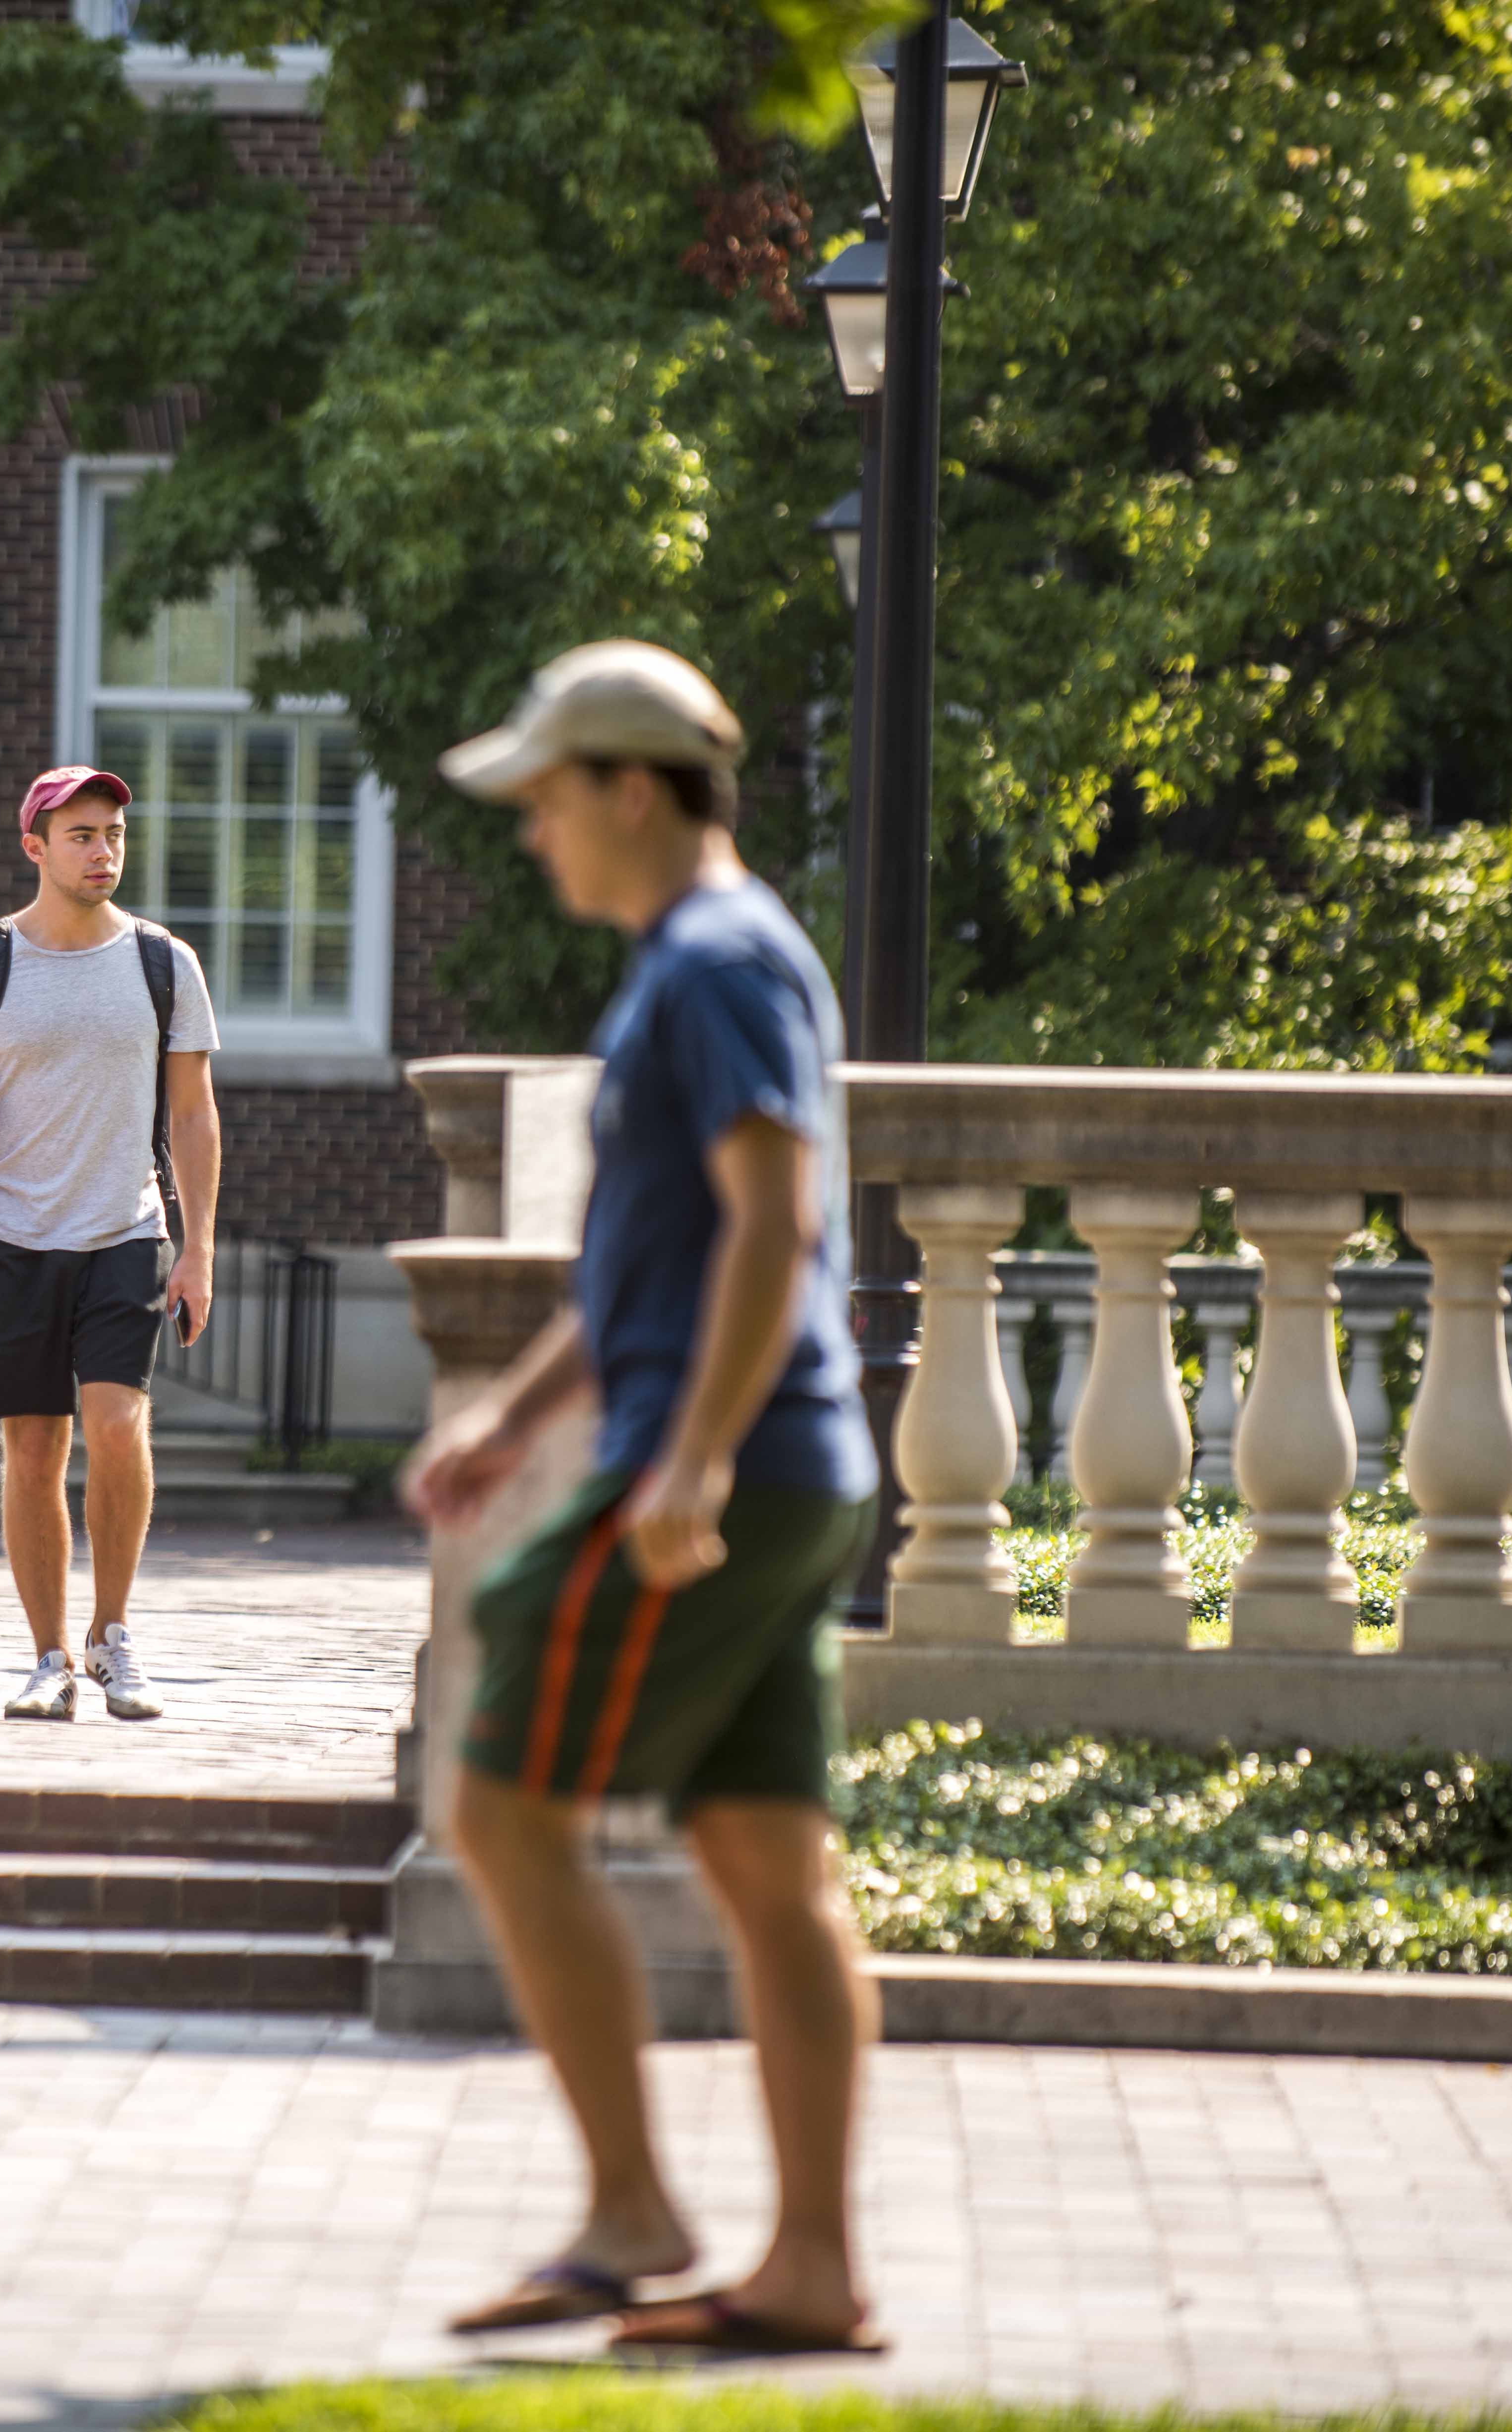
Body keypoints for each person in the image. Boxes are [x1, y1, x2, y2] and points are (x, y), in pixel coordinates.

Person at [398, 641, 887, 2359]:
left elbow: (777, 1223)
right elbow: (642, 1269)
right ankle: (812, 2268)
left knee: (500, 1802)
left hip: (724, 1472)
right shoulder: (689, 966)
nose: (533, 834)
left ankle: (631, 2212)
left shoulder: (719, 962)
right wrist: (513, 1420)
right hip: (779, 1460)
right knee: (767, 1859)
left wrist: (687, 1456)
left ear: (629, 788)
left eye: (544, 799)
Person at [0, 766, 222, 1723]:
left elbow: (195, 1113)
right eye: (82, 834)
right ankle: (48, 1656)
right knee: (35, 1450)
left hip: (124, 1231)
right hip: (6, 1234)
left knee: (120, 1426)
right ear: (35, 846)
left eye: (114, 834)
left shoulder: (163, 962)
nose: (103, 851)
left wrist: (199, 1247)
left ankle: (112, 1636)